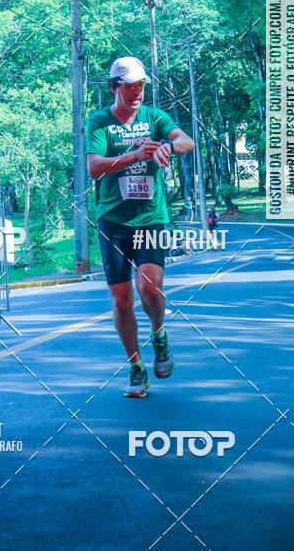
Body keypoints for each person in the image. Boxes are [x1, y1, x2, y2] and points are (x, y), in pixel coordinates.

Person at [86, 56, 194, 397]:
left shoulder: (154, 118)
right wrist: (133, 156)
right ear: (113, 87)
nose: (137, 92)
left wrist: (167, 146)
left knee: (149, 287)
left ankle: (159, 334)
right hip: (113, 221)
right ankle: (135, 367)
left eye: (141, 85)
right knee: (121, 301)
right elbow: (94, 167)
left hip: (150, 218)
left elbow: (187, 141)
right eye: (130, 86)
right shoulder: (100, 122)